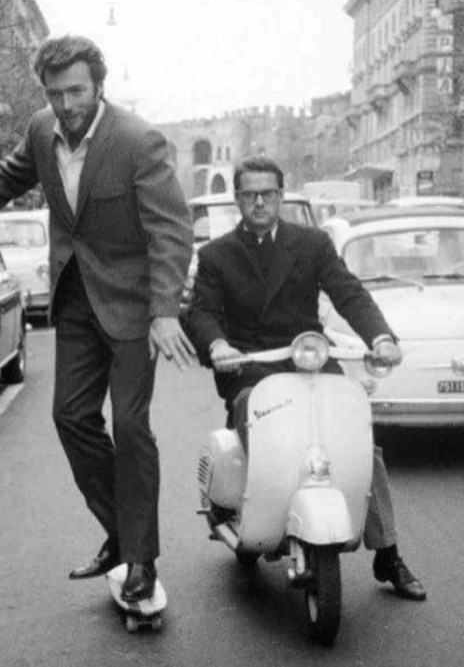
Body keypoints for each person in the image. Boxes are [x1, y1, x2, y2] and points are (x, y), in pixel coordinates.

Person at [0, 35, 194, 602]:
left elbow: (171, 230)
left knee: (131, 428)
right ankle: (121, 532)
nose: (66, 104)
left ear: (98, 86)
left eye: (76, 91)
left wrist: (164, 312)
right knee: (71, 418)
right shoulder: (41, 128)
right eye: (55, 93)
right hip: (76, 300)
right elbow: (10, 177)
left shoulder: (137, 141)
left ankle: (141, 560)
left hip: (133, 306)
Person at [182, 156, 426, 602]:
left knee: (359, 446)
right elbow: (201, 311)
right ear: (238, 199)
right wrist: (218, 346)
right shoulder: (216, 256)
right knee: (267, 437)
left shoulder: (312, 244)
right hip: (251, 369)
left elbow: (348, 292)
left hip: (309, 363)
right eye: (250, 194)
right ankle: (259, 518)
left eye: (269, 194)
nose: (260, 203)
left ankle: (388, 551)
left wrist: (381, 336)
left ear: (281, 195)